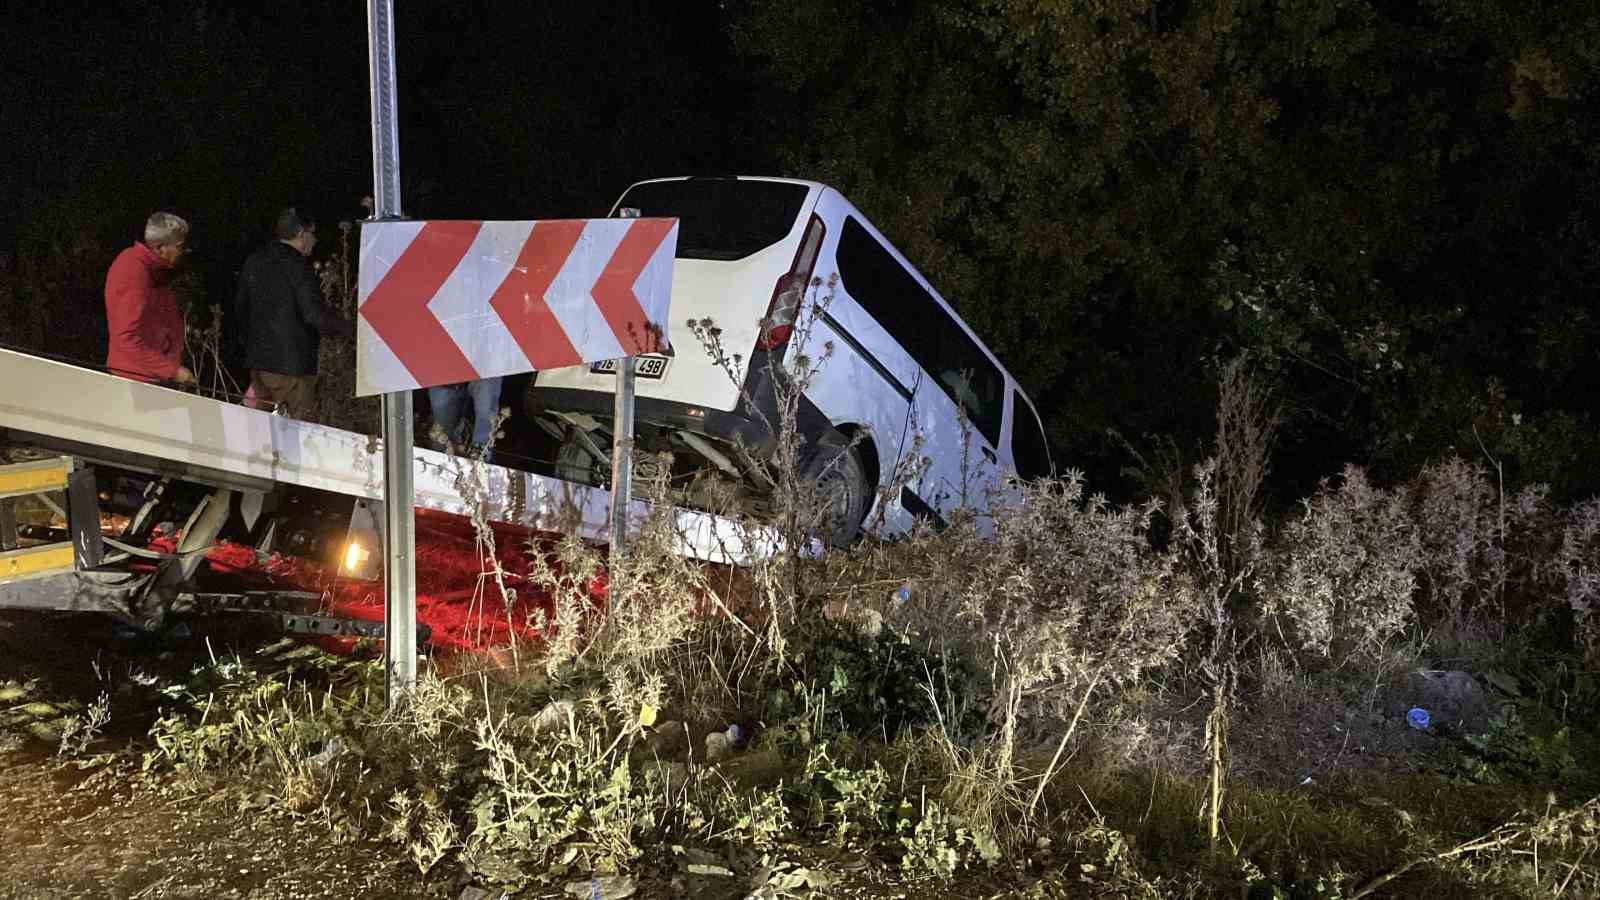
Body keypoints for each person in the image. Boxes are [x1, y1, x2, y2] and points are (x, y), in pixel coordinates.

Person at [235, 207, 354, 421]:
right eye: (312, 233)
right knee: (301, 432)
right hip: (292, 368)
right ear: (301, 234)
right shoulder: (298, 266)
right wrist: (352, 329)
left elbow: (241, 310)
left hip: (259, 365)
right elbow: (313, 315)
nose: (314, 240)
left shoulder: (254, 261)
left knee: (254, 429)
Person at [105, 212, 195, 385]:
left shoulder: (154, 271)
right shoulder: (133, 270)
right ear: (161, 248)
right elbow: (125, 336)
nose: (184, 251)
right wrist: (171, 370)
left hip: (149, 376)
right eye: (180, 246)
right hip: (135, 380)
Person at [428, 378, 504, 462]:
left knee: (484, 428)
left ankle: (480, 464)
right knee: (442, 435)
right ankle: (443, 463)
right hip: (443, 372)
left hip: (486, 372)